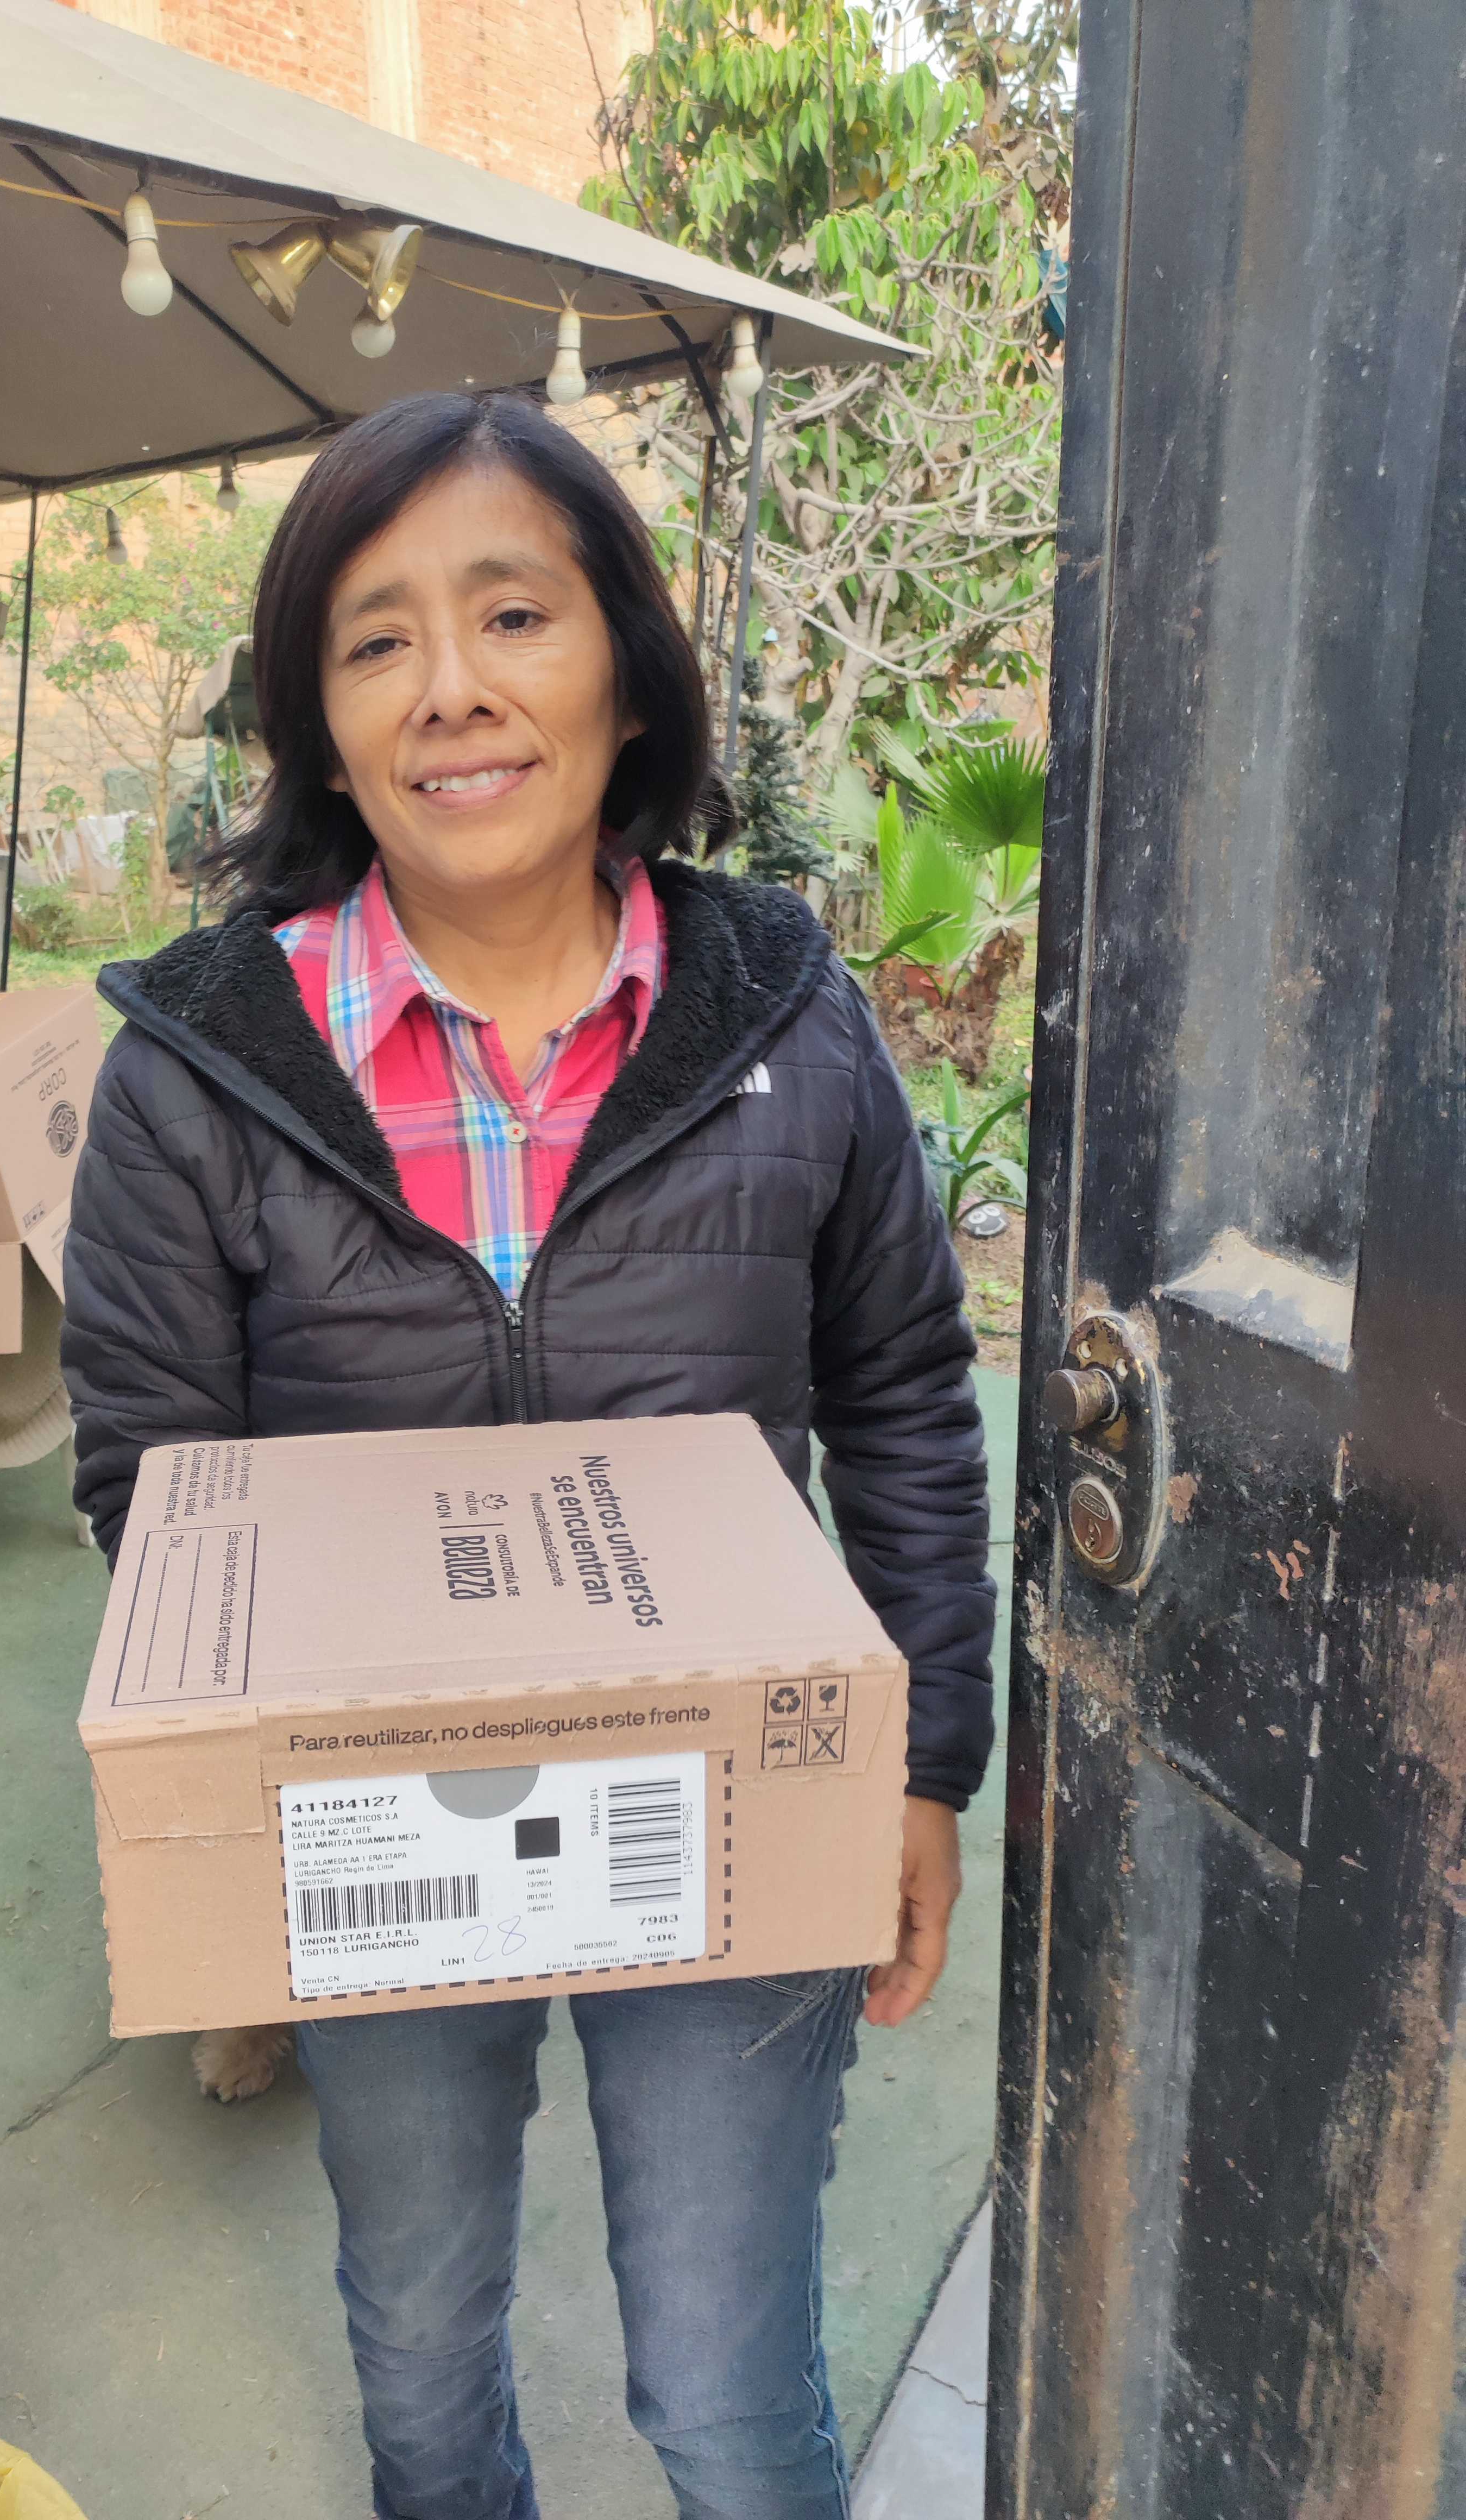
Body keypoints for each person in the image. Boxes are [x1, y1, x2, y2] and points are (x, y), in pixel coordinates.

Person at [62, 391, 995, 2520]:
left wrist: (925, 1759)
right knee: (419, 2347)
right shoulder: (199, 1073)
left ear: (627, 676)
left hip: (728, 1798)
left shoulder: (786, 1022)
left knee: (728, 2396)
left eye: (512, 614)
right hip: (382, 1818)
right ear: (318, 723)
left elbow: (903, 1395)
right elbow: (156, 1488)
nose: (451, 690)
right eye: (377, 639)